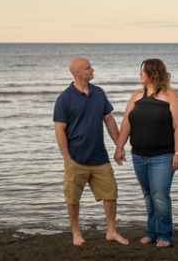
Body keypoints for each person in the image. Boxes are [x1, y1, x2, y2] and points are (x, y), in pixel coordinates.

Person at [53, 57, 130, 246]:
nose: (93, 70)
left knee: (110, 194)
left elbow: (109, 120)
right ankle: (76, 232)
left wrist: (119, 146)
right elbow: (59, 129)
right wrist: (67, 158)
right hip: (76, 158)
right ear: (77, 73)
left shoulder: (98, 93)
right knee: (72, 197)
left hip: (100, 157)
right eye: (88, 68)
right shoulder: (64, 99)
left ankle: (111, 231)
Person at [114, 58, 178, 248]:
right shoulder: (137, 95)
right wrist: (120, 146)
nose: (139, 74)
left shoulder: (171, 95)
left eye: (142, 71)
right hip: (138, 155)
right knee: (148, 196)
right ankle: (152, 231)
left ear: (153, 74)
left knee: (160, 196)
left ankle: (164, 234)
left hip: (163, 156)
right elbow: (127, 123)